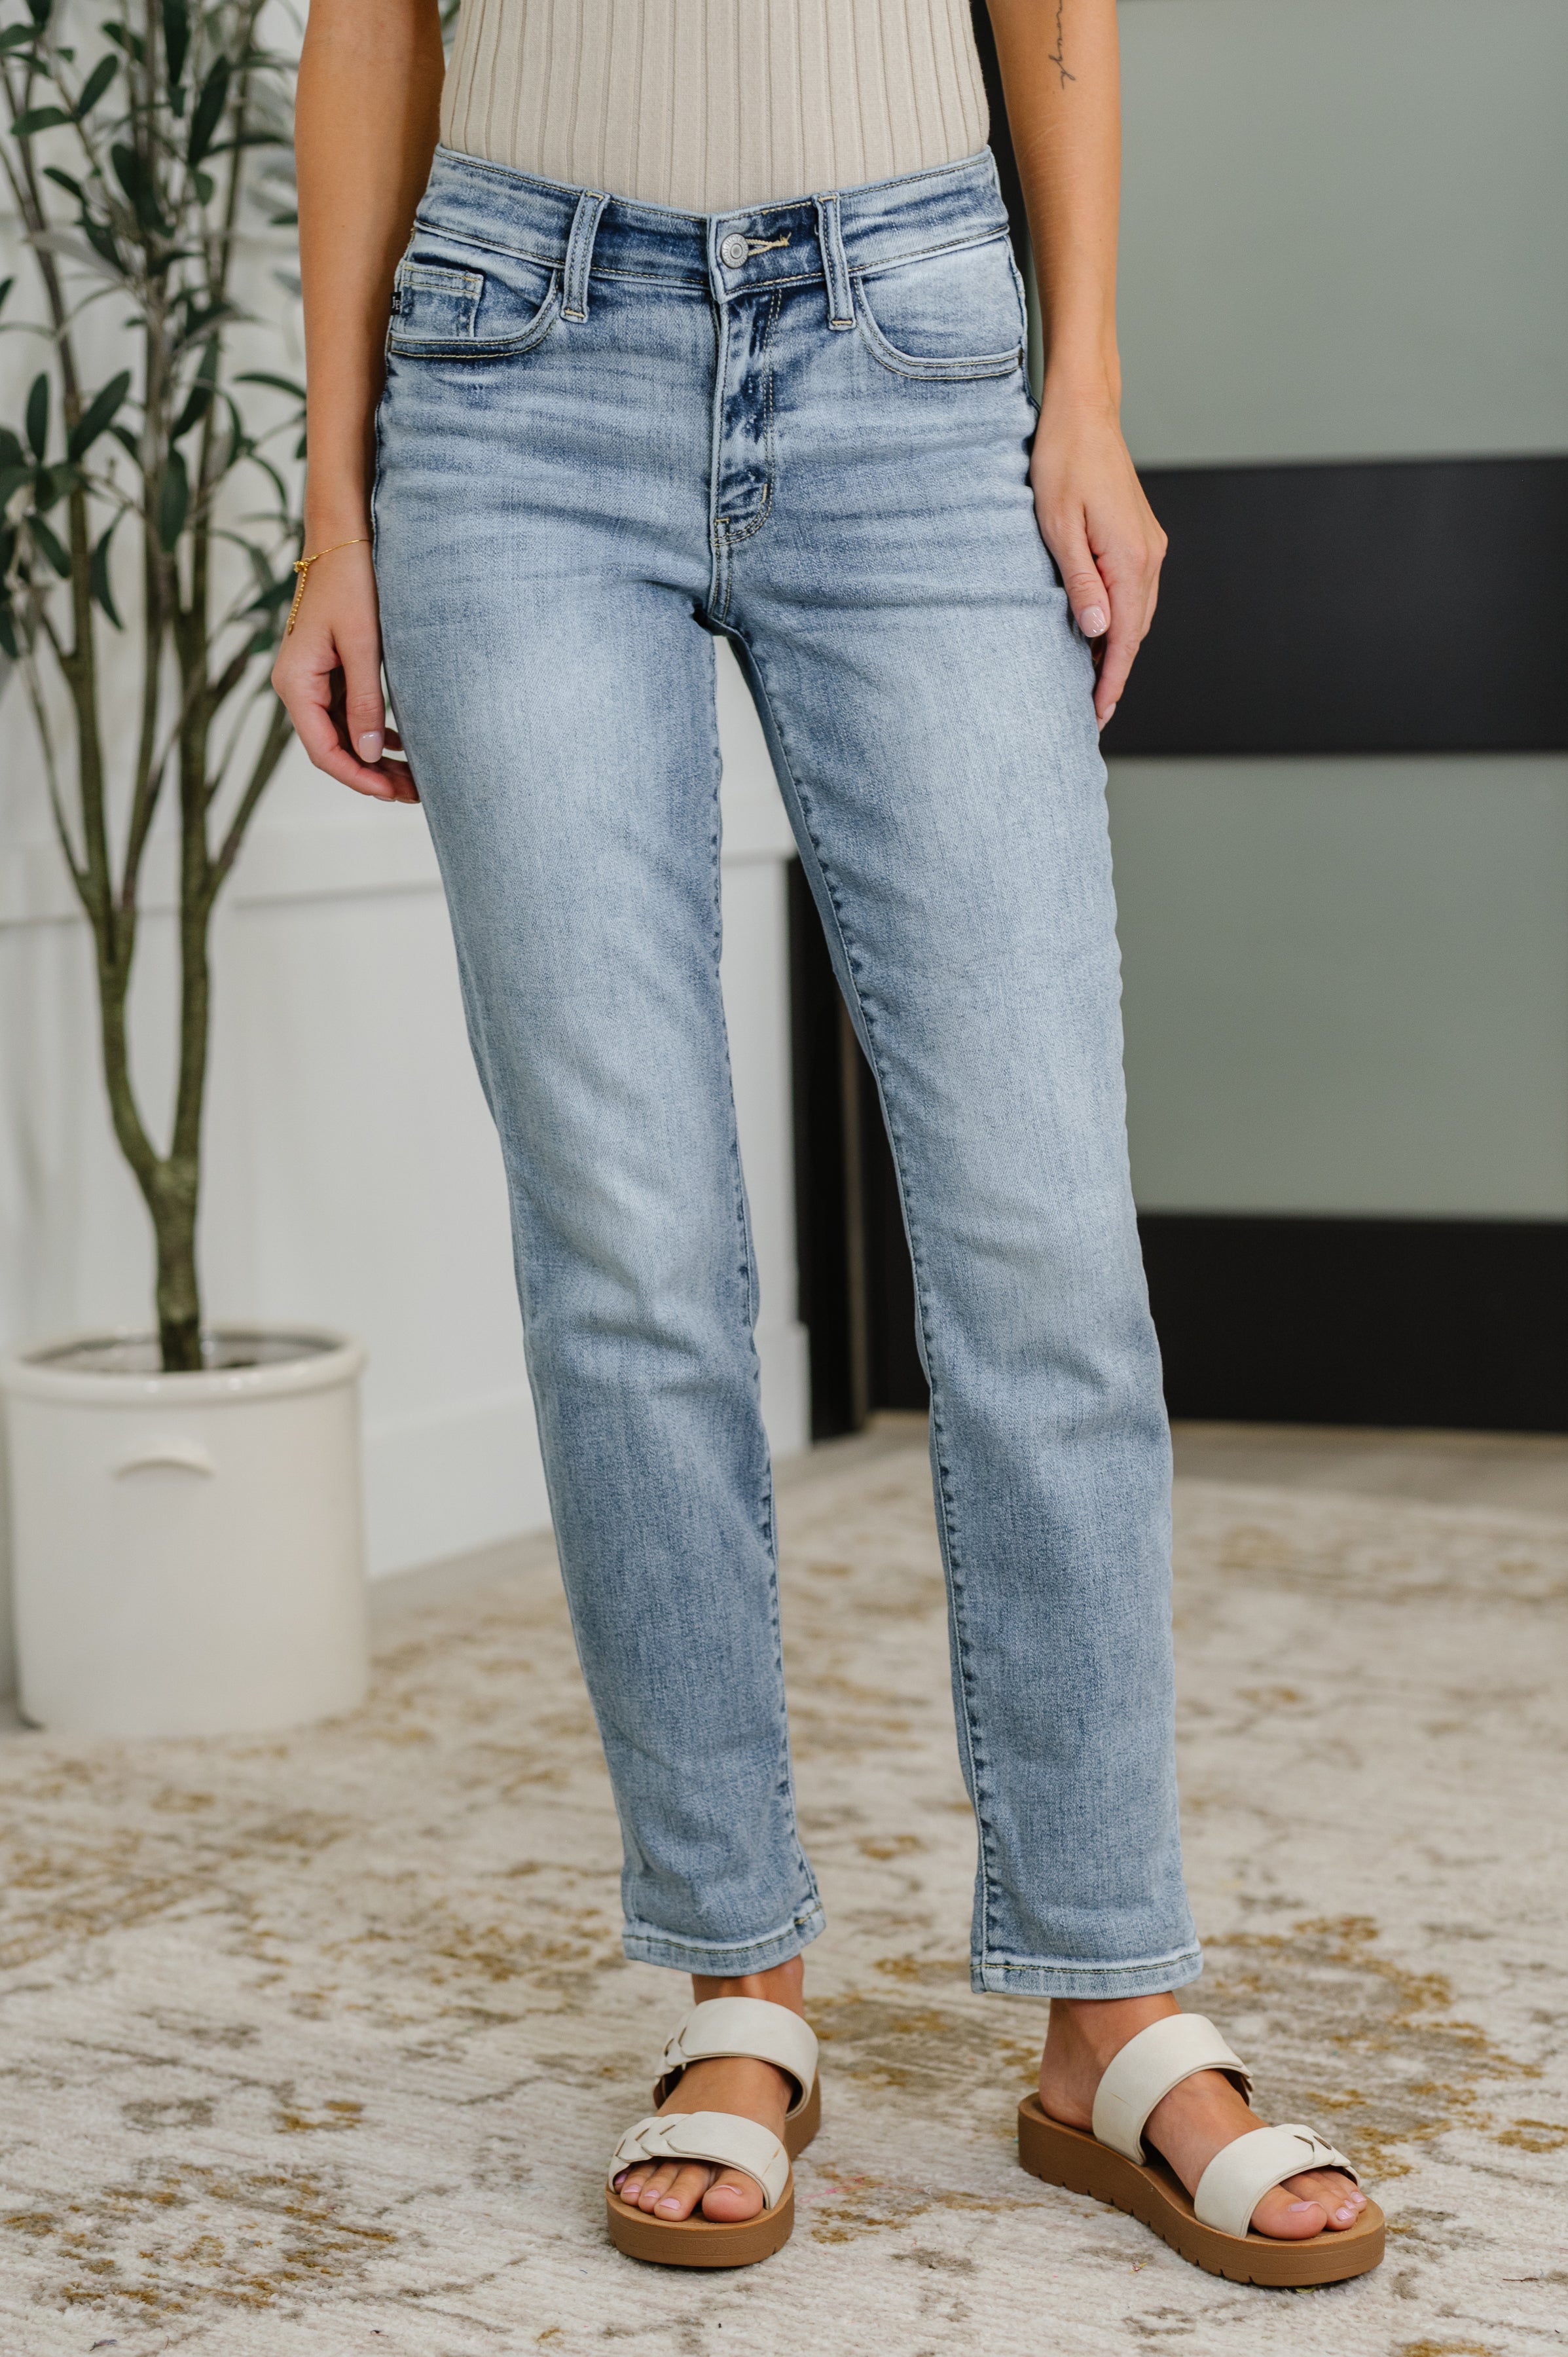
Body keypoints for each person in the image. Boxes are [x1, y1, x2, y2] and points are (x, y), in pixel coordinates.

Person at [274, 0, 1382, 2284]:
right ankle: (733, 1988)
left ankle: (1109, 2004)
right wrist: (333, 503)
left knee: (1040, 1234)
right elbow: (370, 25)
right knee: (626, 1245)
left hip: (910, 348)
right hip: (508, 367)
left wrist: (1077, 387)